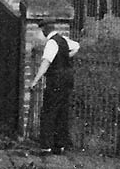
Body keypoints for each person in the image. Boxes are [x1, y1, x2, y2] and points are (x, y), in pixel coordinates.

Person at [29, 19, 80, 156]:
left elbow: (45, 64)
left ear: (46, 29)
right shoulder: (63, 40)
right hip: (67, 79)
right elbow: (77, 46)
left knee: (48, 112)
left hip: (56, 81)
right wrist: (65, 58)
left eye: (42, 30)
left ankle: (46, 146)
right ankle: (60, 145)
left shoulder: (51, 43)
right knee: (62, 111)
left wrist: (35, 81)